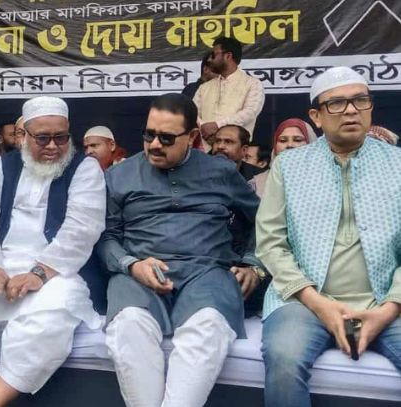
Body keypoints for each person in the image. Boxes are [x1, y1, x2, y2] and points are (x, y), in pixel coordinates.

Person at [0, 96, 105, 407]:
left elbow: (82, 228)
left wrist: (39, 273)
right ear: (24, 136)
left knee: (48, 321)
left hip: (56, 270)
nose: (53, 146)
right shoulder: (1, 166)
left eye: (61, 137)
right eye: (43, 138)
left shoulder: (85, 168)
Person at [97, 93, 261, 407]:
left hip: (207, 273)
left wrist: (253, 263)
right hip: (138, 275)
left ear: (193, 137)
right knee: (129, 327)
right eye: (149, 135)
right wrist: (131, 265)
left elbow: (265, 220)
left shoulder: (220, 172)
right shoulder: (118, 176)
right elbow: (105, 238)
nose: (155, 144)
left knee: (208, 326)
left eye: (167, 138)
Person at [258, 67, 401, 407]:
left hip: (387, 300)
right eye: (337, 103)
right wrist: (317, 302)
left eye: (360, 100)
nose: (351, 111)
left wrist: (389, 308)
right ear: (316, 116)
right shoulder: (289, 166)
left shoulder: (397, 163)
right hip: (303, 301)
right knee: (284, 358)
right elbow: (270, 242)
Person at [194, 37, 265, 152]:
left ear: (228, 56)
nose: (210, 60)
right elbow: (193, 112)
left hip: (236, 152)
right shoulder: (204, 87)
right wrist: (204, 128)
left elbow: (250, 112)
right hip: (206, 150)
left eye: (214, 55)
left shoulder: (252, 84)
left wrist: (217, 125)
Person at [251, 118, 317, 197]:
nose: (289, 145)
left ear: (311, 144)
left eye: (298, 140)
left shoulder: (323, 180)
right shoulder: (256, 184)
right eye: (283, 140)